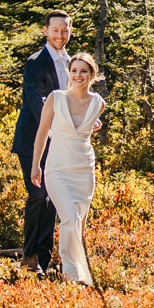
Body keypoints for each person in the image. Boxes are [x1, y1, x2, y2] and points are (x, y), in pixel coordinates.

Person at [30, 52, 106, 286]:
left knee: (79, 224)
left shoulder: (98, 103)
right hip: (57, 168)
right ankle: (73, 275)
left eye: (83, 71)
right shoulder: (56, 98)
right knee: (69, 219)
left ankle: (76, 269)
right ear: (69, 73)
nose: (78, 75)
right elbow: (43, 131)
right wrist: (36, 165)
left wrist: (92, 126)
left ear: (92, 75)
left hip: (83, 168)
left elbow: (86, 127)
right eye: (74, 71)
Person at [11, 11, 72, 274]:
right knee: (38, 194)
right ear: (45, 31)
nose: (60, 35)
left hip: (60, 143)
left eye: (65, 30)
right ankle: (30, 255)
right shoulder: (35, 62)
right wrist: (52, 128)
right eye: (55, 30)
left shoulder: (72, 63)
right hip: (33, 140)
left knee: (53, 198)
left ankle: (45, 259)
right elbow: (36, 101)